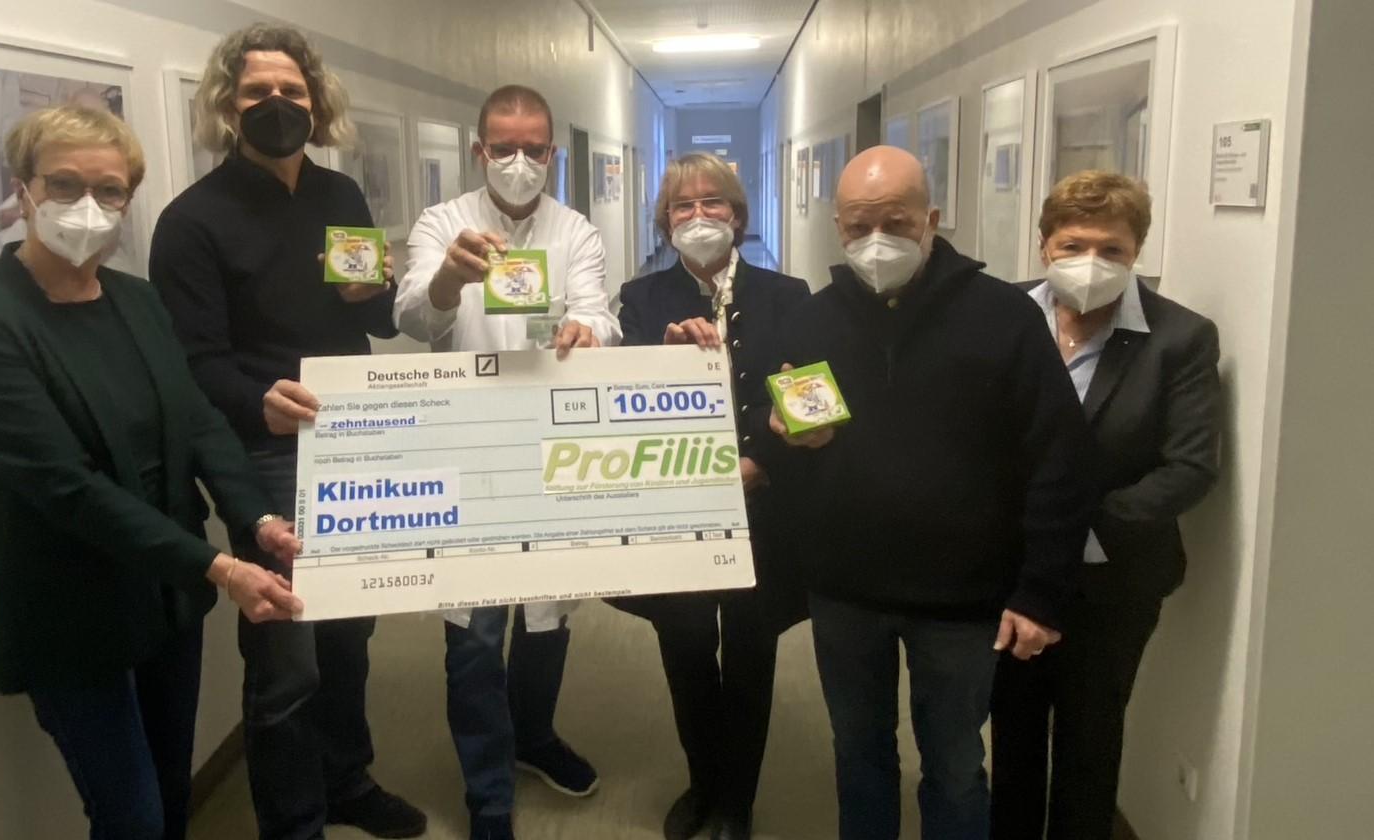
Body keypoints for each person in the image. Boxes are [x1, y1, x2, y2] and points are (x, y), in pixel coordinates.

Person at [0, 104, 304, 840]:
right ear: (24, 191)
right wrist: (221, 567)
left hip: (166, 594)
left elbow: (195, 419)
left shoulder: (137, 300)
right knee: (130, 814)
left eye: (109, 190)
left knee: (170, 790)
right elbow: (63, 487)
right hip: (72, 605)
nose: (87, 207)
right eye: (64, 185)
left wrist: (258, 519)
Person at [763, 146, 1095, 840]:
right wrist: (788, 444)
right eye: (859, 226)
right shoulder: (809, 322)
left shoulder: (1003, 317)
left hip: (963, 599)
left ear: (932, 220)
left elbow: (1059, 460)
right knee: (858, 755)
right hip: (846, 591)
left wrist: (1040, 592)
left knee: (954, 766)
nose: (876, 240)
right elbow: (787, 456)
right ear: (837, 227)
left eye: (896, 222)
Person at [149, 24, 424, 840]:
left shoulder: (341, 197)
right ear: (226, 108)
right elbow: (191, 363)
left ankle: (347, 782)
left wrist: (372, 295)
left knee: (350, 632)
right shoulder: (191, 221)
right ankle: (294, 822)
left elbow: (378, 317)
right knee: (286, 657)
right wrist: (256, 402)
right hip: (265, 453)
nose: (277, 105)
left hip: (354, 440)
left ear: (317, 102)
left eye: (292, 92)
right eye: (257, 93)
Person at [396, 84, 620, 840]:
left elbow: (598, 310)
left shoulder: (574, 229)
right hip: (469, 448)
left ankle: (534, 735)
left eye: (533, 148)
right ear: (478, 150)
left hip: (553, 444)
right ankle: (488, 793)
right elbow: (410, 316)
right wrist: (448, 278)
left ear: (553, 152)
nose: (518, 162)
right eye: (503, 147)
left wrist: (589, 332)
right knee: (475, 631)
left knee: (549, 616)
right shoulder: (442, 223)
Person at [990, 171, 1221, 840]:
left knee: (1090, 742)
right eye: (1072, 245)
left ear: (1136, 250)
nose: (1089, 261)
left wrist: (1068, 528)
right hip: (1009, 574)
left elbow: (1188, 468)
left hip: (1112, 579)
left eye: (1110, 249)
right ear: (1043, 245)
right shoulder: (1001, 317)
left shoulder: (1179, 338)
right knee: (1012, 735)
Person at [610, 152, 809, 840]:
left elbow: (804, 393)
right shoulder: (641, 300)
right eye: (681, 205)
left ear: (738, 215)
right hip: (679, 507)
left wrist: (759, 461)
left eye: (712, 202)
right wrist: (662, 362)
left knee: (751, 650)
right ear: (664, 222)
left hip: (762, 502)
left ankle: (735, 802)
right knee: (687, 645)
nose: (697, 216)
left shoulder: (789, 295)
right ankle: (703, 782)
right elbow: (621, 404)